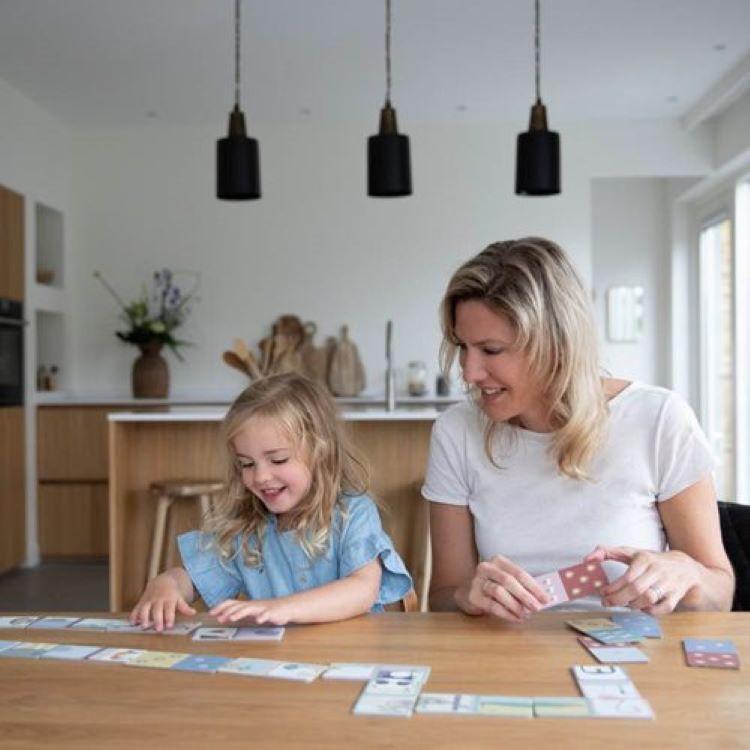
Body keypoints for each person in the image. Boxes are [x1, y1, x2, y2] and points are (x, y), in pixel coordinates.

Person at [423, 237, 734, 622]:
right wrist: (467, 596)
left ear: (555, 343)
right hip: (507, 658)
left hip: (637, 662)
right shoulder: (456, 431)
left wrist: (686, 574)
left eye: (491, 350)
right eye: (462, 346)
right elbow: (441, 598)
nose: (468, 373)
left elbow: (720, 595)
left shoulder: (659, 419)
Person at [130, 373, 412, 631]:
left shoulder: (353, 512)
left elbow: (362, 589)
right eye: (247, 463)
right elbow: (191, 578)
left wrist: (283, 608)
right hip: (280, 669)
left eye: (278, 460)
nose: (261, 476)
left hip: (348, 662)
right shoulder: (247, 529)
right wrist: (166, 584)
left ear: (320, 452)